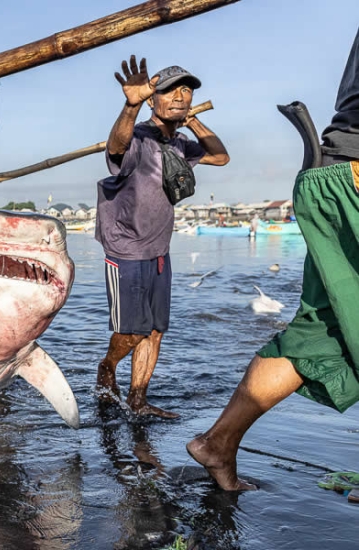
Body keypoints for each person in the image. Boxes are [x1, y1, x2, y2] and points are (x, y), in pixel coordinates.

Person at [188, 28, 359, 490]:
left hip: (331, 173)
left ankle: (218, 442)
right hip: (354, 173)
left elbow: (216, 155)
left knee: (320, 330)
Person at [95, 56, 229, 418]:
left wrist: (193, 120)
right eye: (170, 91)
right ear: (153, 99)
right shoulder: (138, 137)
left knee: (154, 332)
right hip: (127, 250)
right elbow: (116, 146)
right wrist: (131, 104)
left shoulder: (180, 145)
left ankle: (138, 400)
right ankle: (107, 367)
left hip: (159, 251)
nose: (180, 96)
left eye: (186, 91)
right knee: (133, 332)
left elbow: (220, 156)